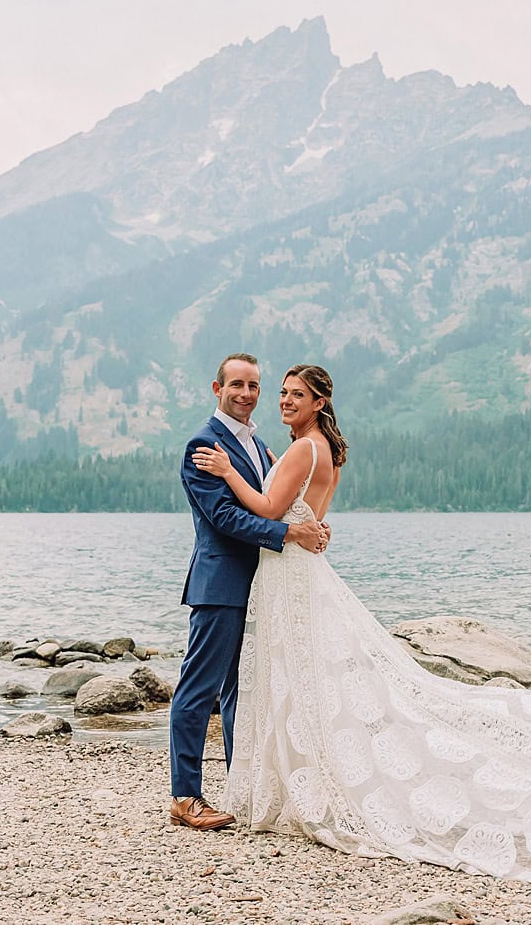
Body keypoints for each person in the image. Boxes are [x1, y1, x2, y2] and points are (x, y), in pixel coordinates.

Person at [192, 364, 531, 882]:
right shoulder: (325, 449)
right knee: (316, 681)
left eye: (295, 394)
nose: (284, 401)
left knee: (300, 679)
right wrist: (296, 522)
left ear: (320, 402)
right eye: (281, 393)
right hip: (305, 571)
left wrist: (226, 472)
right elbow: (310, 516)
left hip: (290, 575)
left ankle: (305, 786)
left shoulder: (301, 450)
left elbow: (266, 510)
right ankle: (303, 780)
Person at [169, 353, 330, 831]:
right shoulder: (204, 444)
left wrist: (308, 524)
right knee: (199, 689)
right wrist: (287, 536)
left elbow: (279, 504)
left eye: (254, 385)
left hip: (263, 586)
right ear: (216, 389)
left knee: (246, 693)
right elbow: (223, 518)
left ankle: (246, 790)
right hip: (220, 584)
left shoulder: (258, 445)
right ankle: (185, 796)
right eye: (236, 384)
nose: (246, 393)